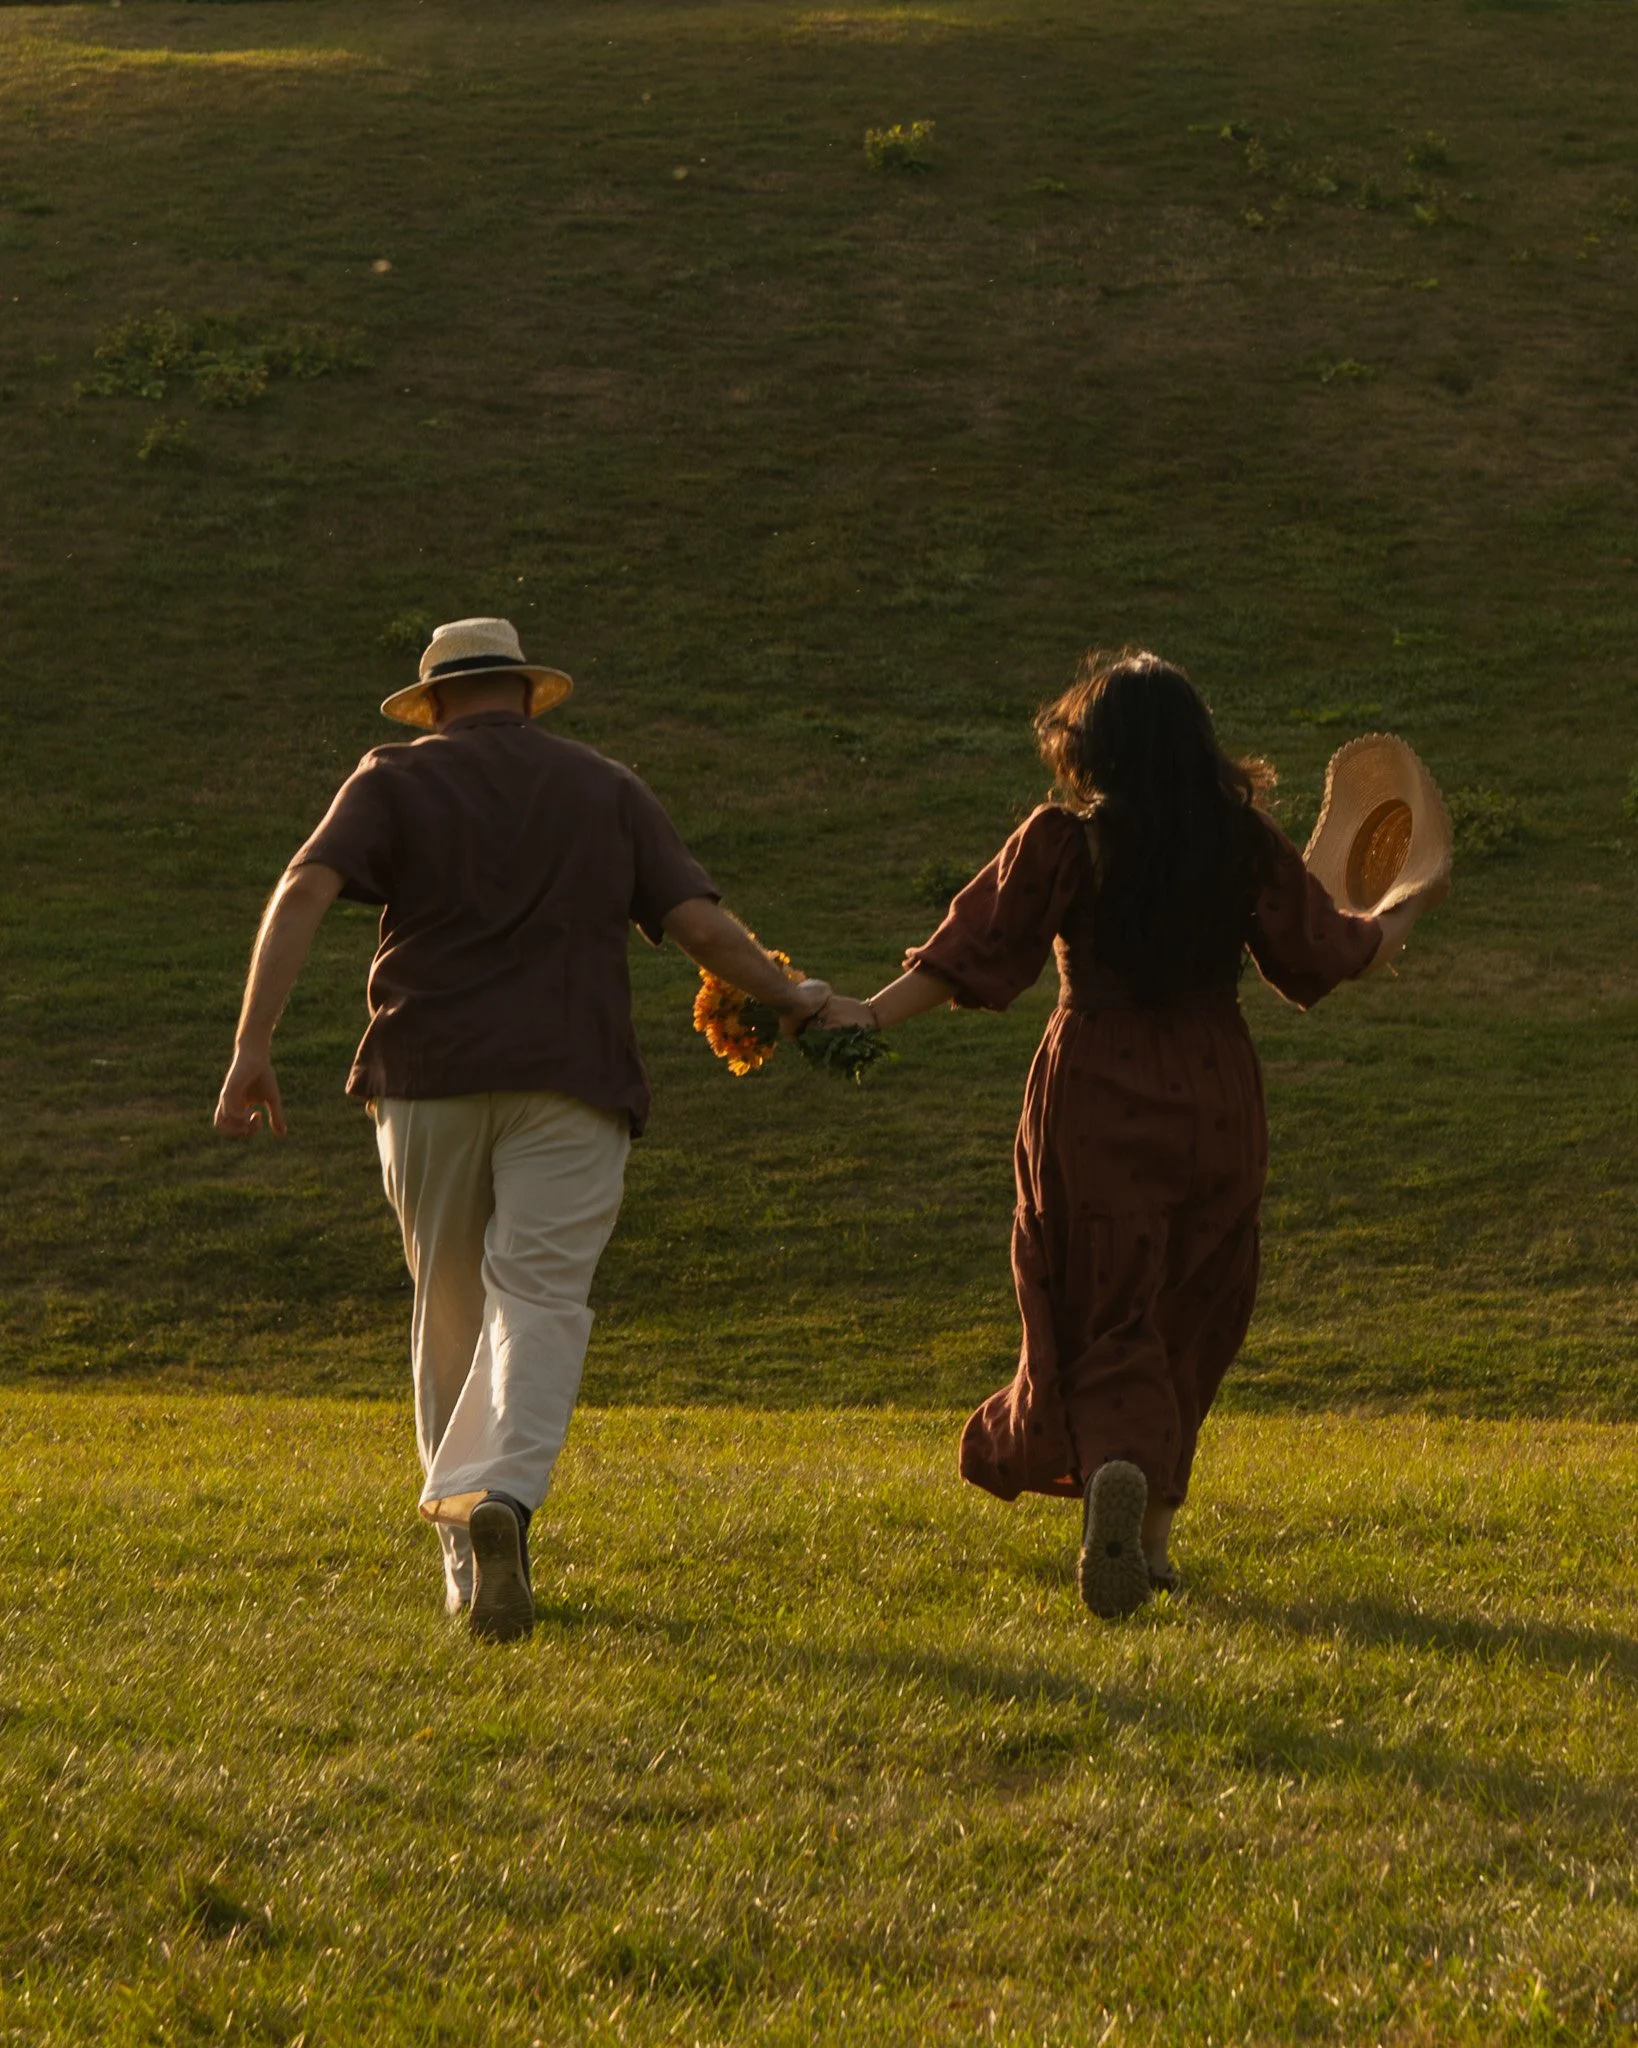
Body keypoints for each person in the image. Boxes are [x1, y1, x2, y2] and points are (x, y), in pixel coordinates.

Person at [214, 617, 828, 1642]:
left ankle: (466, 1559)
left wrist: (252, 1045)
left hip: (426, 1078)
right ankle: (501, 1491)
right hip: (571, 1078)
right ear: (530, 694)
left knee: (449, 1306)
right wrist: (787, 993)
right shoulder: (606, 786)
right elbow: (698, 926)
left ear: (434, 705)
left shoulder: (392, 777)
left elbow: (303, 886)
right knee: (539, 1298)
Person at [820, 648, 1444, 1618]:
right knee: (1193, 1302)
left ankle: (1113, 1463)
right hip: (1214, 1090)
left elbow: (969, 956)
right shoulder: (1241, 843)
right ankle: (1149, 1540)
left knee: (1101, 1294)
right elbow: (1336, 950)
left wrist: (864, 1012)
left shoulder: (1064, 842)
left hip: (1095, 1087)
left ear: (1094, 746)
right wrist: (1406, 902)